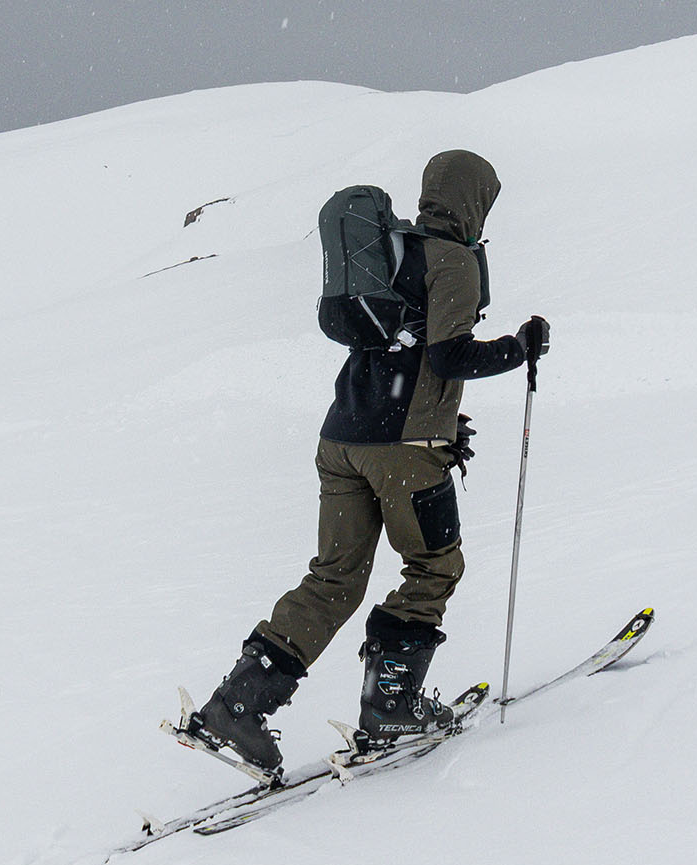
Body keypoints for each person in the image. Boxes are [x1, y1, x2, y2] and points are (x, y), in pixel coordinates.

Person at [181, 149, 549, 781]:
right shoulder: (454, 259)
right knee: (435, 565)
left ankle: (235, 707)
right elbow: (453, 356)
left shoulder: (392, 251)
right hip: (403, 452)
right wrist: (521, 347)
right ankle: (390, 707)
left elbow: (400, 354)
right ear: (473, 200)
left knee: (334, 579)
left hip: (341, 441)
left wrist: (439, 420)